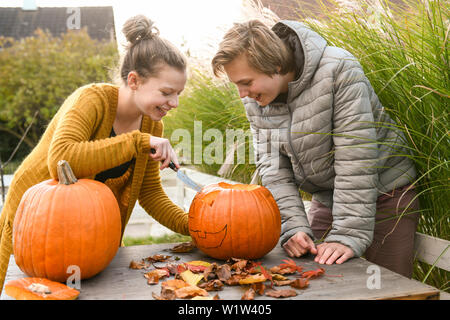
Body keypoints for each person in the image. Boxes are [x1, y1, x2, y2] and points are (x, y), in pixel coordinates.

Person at [212, 19, 420, 278]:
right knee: (315, 279)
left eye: (246, 82)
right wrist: (294, 227)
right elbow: (274, 169)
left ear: (275, 64)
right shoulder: (257, 100)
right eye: (237, 85)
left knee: (390, 288)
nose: (242, 93)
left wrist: (347, 235)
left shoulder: (338, 70)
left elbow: (355, 157)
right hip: (327, 197)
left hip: (386, 194)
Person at [0, 15, 189, 293]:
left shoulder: (152, 124)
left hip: (87, 237)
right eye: (166, 92)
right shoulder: (92, 100)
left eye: (178, 94)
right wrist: (138, 142)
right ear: (134, 80)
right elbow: (61, 160)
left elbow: (150, 193)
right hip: (36, 222)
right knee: (23, 292)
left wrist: (195, 226)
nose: (173, 103)